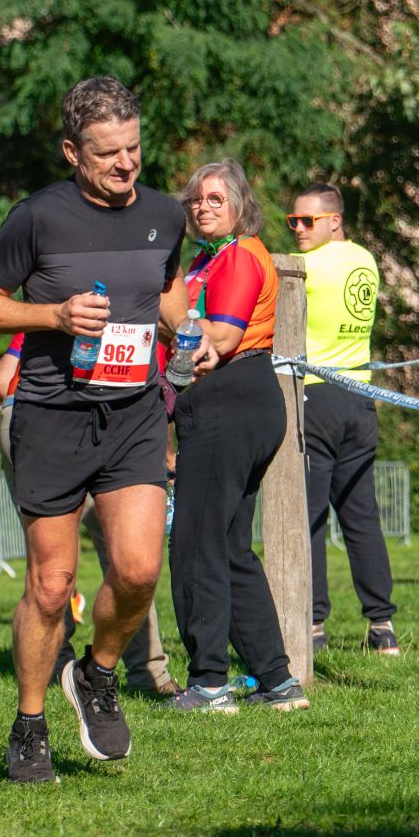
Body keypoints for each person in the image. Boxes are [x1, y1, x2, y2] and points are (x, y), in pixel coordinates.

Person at [0, 76, 215, 782]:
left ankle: (97, 673)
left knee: (137, 571)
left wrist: (187, 328)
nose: (126, 163)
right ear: (74, 152)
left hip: (134, 414)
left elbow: (167, 287)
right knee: (51, 586)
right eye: (108, 153)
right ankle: (30, 724)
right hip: (52, 416)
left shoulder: (164, 214)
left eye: (133, 147)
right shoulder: (37, 218)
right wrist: (53, 316)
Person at [164, 159, 309, 713]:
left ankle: (208, 683)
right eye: (196, 200)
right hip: (232, 404)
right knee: (228, 546)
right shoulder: (207, 258)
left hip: (233, 398)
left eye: (215, 199)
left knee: (195, 542)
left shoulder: (242, 254)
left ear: (240, 205)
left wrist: (167, 324)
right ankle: (278, 681)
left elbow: (222, 337)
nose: (202, 207)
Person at [0, 334, 182, 696]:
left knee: (50, 561)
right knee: (128, 559)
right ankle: (148, 673)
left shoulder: (51, 314)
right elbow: (152, 397)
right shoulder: (143, 327)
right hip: (99, 423)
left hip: (27, 416)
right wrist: (167, 455)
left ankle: (56, 666)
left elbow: (0, 382)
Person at [288, 181, 399, 655]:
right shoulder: (366, 260)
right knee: (361, 515)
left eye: (307, 220)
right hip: (360, 398)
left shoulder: (305, 267)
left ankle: (313, 625)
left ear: (334, 221)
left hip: (317, 397)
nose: (298, 229)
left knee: (309, 515)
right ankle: (382, 626)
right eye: (293, 221)